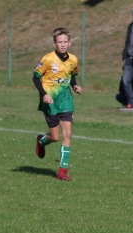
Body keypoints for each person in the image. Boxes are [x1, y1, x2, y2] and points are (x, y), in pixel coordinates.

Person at [33, 27, 82, 181]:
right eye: (59, 42)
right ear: (54, 43)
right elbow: (35, 78)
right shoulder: (48, 59)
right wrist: (44, 94)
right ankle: (41, 141)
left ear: (69, 43)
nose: (62, 44)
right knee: (54, 137)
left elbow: (72, 75)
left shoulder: (73, 59)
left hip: (66, 100)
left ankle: (62, 171)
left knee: (67, 134)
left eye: (65, 42)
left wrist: (75, 86)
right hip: (50, 101)